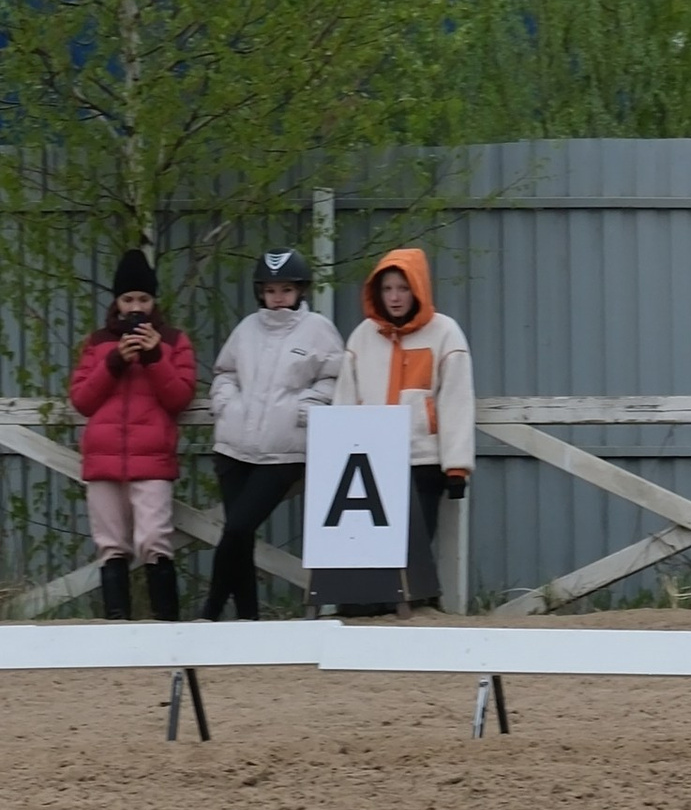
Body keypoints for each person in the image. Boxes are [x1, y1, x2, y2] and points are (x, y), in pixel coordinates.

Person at [330, 244, 475, 616]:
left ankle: (419, 604)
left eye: (403, 288)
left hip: (421, 458)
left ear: (419, 289)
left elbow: (457, 401)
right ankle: (361, 606)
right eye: (387, 289)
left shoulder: (446, 334)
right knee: (367, 545)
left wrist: (456, 466)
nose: (395, 297)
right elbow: (345, 399)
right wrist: (338, 457)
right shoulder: (362, 337)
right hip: (368, 461)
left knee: (413, 547)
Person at [206, 247, 345, 620]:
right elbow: (225, 372)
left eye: (285, 289)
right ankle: (249, 618)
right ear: (260, 292)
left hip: (283, 451)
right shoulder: (246, 329)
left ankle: (211, 610)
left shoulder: (318, 329)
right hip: (233, 447)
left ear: (300, 290)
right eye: (270, 290)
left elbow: (335, 376)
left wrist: (310, 407)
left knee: (236, 527)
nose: (278, 298)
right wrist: (226, 403)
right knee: (240, 536)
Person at [69, 248, 199, 621]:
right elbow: (82, 400)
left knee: (154, 540)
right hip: (103, 458)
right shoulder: (97, 343)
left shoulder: (174, 341)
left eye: (143, 298)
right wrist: (113, 363)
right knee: (110, 545)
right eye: (128, 299)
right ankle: (116, 623)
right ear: (117, 301)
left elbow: (180, 398)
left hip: (152, 457)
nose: (135, 306)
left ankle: (166, 623)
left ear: (154, 300)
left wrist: (155, 358)